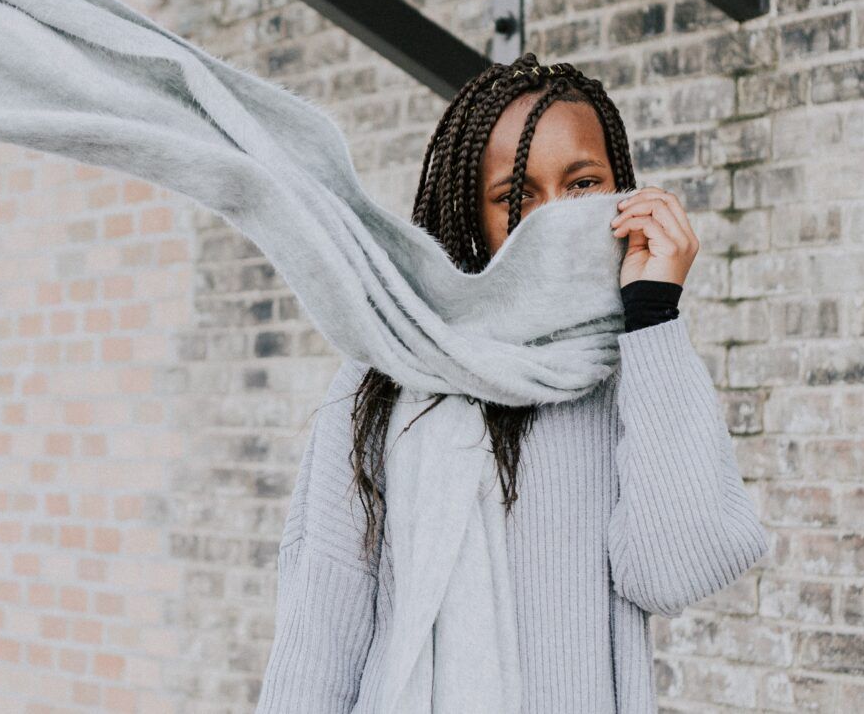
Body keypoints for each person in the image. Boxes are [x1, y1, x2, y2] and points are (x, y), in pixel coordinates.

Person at [256, 53, 770, 713]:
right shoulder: (390, 371)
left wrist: (653, 320)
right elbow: (320, 623)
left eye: (582, 184)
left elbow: (675, 571)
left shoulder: (636, 368)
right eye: (514, 197)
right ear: (472, 211)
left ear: (624, 191)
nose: (553, 218)